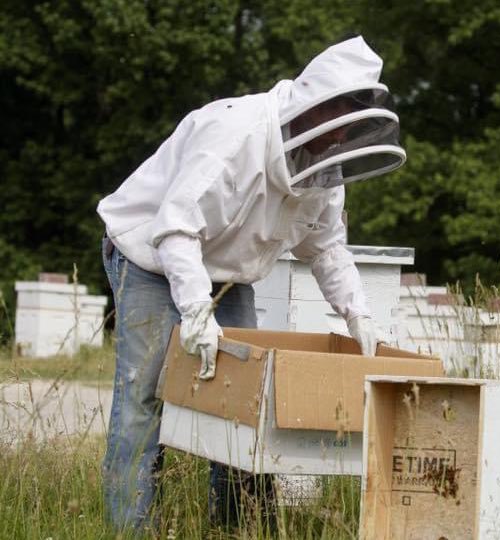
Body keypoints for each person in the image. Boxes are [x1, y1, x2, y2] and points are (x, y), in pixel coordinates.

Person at [96, 35, 404, 531]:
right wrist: (196, 311)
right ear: (313, 105)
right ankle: (130, 528)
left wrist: (357, 314)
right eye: (333, 124)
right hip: (151, 255)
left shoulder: (323, 171)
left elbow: (325, 249)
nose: (334, 141)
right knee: (145, 398)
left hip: (228, 273)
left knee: (244, 400)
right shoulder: (232, 135)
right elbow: (174, 229)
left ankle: (239, 526)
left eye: (346, 129)